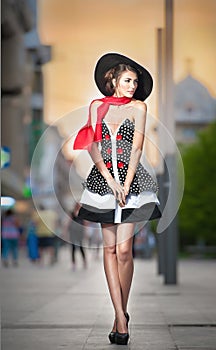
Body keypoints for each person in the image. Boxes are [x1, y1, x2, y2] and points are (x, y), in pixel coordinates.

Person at [73, 53, 161, 345]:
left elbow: (136, 149)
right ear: (112, 80)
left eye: (135, 81)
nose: (133, 85)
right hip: (102, 182)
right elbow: (92, 146)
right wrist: (110, 179)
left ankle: (119, 315)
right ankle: (120, 318)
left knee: (124, 251)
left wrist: (125, 181)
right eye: (128, 80)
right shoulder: (97, 106)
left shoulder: (139, 107)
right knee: (109, 251)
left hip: (133, 181)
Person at [65, 203, 87, 270]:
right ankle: (74, 263)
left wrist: (85, 232)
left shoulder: (82, 213)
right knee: (73, 247)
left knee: (81, 247)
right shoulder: (72, 213)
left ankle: (84, 261)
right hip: (73, 232)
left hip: (80, 232)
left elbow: (85, 222)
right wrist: (65, 231)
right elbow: (69, 222)